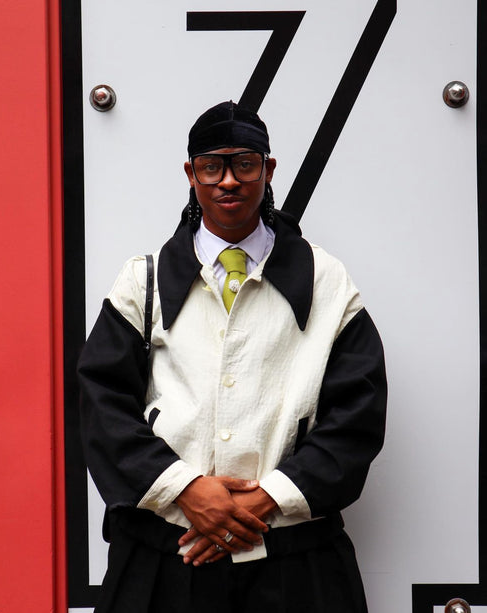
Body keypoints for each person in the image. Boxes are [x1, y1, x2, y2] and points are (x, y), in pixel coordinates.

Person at [78, 100, 387, 613]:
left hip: (296, 563)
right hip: (165, 556)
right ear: (190, 173)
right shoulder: (143, 280)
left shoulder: (327, 280)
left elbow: (358, 416)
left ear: (268, 170)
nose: (228, 181)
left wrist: (263, 503)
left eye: (245, 164)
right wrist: (187, 491)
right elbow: (101, 405)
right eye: (211, 166)